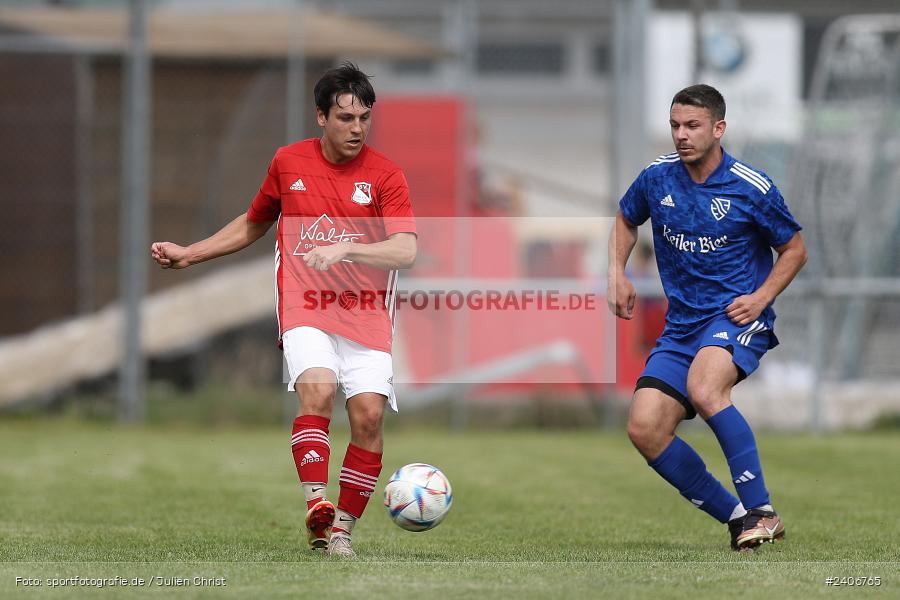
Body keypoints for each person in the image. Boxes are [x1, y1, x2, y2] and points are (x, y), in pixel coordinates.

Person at [151, 62, 417, 557]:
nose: (357, 128)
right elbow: (253, 223)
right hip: (306, 305)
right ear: (321, 117)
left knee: (368, 418)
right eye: (345, 118)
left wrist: (348, 249)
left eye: (364, 118)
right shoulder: (288, 163)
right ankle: (317, 503)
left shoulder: (386, 175)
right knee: (317, 390)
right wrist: (192, 252)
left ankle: (341, 532)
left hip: (366, 314)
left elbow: (405, 249)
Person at [607, 84, 807, 551]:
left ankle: (763, 511)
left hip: (736, 316)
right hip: (682, 326)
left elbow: (794, 249)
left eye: (692, 126)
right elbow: (624, 218)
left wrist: (760, 298)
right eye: (675, 125)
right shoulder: (657, 178)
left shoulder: (751, 187)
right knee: (645, 428)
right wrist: (616, 272)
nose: (681, 134)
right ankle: (739, 521)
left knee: (704, 386)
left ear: (719, 129)